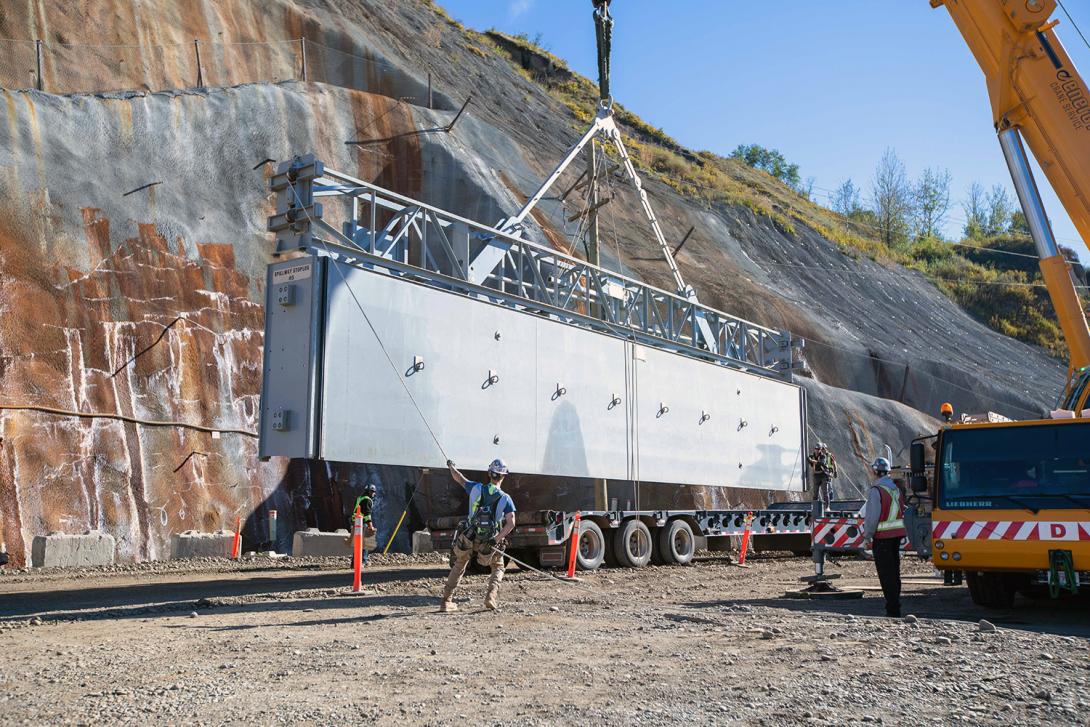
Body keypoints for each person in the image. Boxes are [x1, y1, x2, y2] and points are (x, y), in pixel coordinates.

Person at [440, 458, 517, 613]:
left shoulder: (475, 488)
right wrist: (495, 540)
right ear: (503, 476)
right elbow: (511, 523)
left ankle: (446, 601)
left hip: (469, 535)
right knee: (498, 566)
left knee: (460, 564)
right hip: (488, 539)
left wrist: (451, 467)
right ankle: (490, 597)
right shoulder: (505, 498)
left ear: (489, 473)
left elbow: (459, 478)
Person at [862, 457, 907, 617]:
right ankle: (895, 606)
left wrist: (867, 536)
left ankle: (892, 609)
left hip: (883, 538)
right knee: (894, 573)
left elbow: (872, 517)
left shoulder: (877, 490)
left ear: (875, 472)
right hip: (896, 536)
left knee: (886, 574)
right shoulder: (895, 489)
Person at [349, 483, 377, 566]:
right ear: (368, 492)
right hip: (361, 523)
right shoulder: (367, 500)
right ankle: (363, 561)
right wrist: (370, 526)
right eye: (372, 492)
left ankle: (354, 563)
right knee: (364, 543)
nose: (373, 493)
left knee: (358, 543)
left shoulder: (360, 498)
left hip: (356, 522)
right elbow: (367, 514)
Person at [807, 442, 839, 509]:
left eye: (819, 449)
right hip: (816, 475)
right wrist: (810, 460)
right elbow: (809, 461)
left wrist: (835, 471)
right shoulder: (812, 456)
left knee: (826, 490)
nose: (818, 450)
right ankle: (816, 507)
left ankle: (828, 505)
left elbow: (822, 463)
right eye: (816, 448)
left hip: (825, 474)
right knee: (815, 492)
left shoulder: (825, 456)